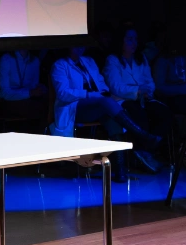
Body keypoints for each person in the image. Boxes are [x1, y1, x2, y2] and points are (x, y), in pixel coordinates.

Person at [50, 46, 161, 176]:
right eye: (76, 44)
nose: (80, 48)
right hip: (74, 107)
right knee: (106, 103)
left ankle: (120, 169)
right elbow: (63, 93)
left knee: (111, 115)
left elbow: (101, 83)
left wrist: (101, 92)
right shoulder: (60, 65)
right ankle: (142, 135)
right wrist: (90, 95)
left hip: (96, 103)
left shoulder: (89, 61)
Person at [106, 26, 173, 165]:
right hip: (123, 99)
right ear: (121, 41)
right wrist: (137, 90)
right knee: (139, 114)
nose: (134, 43)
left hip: (144, 97)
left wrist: (147, 90)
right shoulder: (113, 60)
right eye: (129, 39)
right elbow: (116, 86)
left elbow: (149, 81)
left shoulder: (141, 58)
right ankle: (140, 153)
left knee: (164, 113)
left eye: (135, 39)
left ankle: (147, 151)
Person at [0, 49, 50, 122]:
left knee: (46, 104)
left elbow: (34, 86)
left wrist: (40, 90)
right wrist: (30, 93)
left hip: (27, 101)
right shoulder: (6, 60)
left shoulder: (35, 61)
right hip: (8, 103)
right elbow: (4, 93)